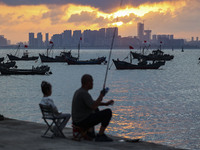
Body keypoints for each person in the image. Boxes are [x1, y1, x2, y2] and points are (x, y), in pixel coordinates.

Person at [72, 74, 114, 142]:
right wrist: (101, 95)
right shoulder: (84, 93)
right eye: (91, 82)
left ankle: (90, 132)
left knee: (96, 109)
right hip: (81, 122)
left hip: (77, 121)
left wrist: (105, 104)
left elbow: (92, 103)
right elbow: (93, 106)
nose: (92, 84)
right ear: (87, 83)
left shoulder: (79, 91)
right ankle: (100, 135)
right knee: (108, 112)